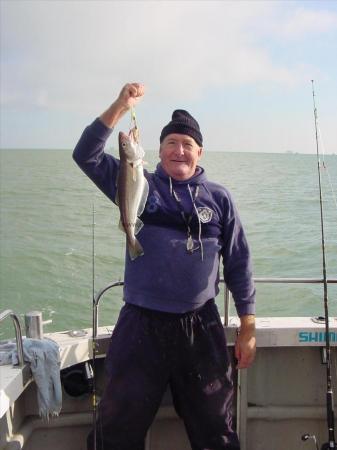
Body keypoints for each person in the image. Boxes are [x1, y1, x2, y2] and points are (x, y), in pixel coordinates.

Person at [73, 83, 256, 450]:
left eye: (187, 144)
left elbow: (238, 262)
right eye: (171, 142)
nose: (179, 150)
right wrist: (120, 107)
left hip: (201, 328)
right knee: (117, 432)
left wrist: (248, 326)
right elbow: (86, 154)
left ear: (199, 152)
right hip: (141, 324)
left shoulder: (219, 198)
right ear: (156, 151)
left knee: (215, 430)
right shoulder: (138, 182)